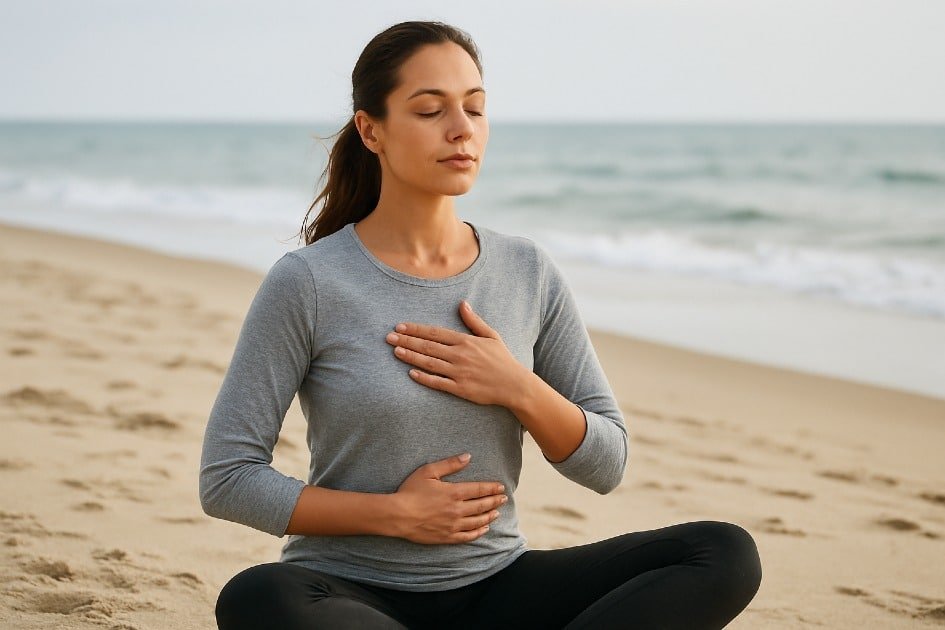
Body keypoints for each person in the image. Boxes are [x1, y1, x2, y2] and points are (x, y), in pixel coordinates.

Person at [199, 20, 762, 629]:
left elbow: (606, 464)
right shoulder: (308, 282)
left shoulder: (526, 270)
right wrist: (394, 514)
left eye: (475, 107)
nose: (461, 128)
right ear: (371, 129)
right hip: (350, 594)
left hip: (499, 588)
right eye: (430, 110)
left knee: (722, 552)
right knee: (257, 598)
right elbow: (228, 477)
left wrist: (515, 385)